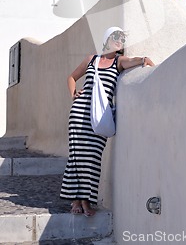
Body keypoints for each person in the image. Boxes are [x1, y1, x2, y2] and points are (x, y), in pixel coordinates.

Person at [60, 26, 154, 216]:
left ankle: (87, 201)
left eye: (121, 39)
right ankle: (76, 201)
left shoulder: (118, 61)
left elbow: (131, 61)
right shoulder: (91, 59)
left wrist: (144, 60)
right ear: (106, 39)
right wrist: (73, 95)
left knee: (93, 157)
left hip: (100, 117)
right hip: (79, 112)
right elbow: (71, 77)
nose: (119, 42)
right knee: (77, 156)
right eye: (116, 38)